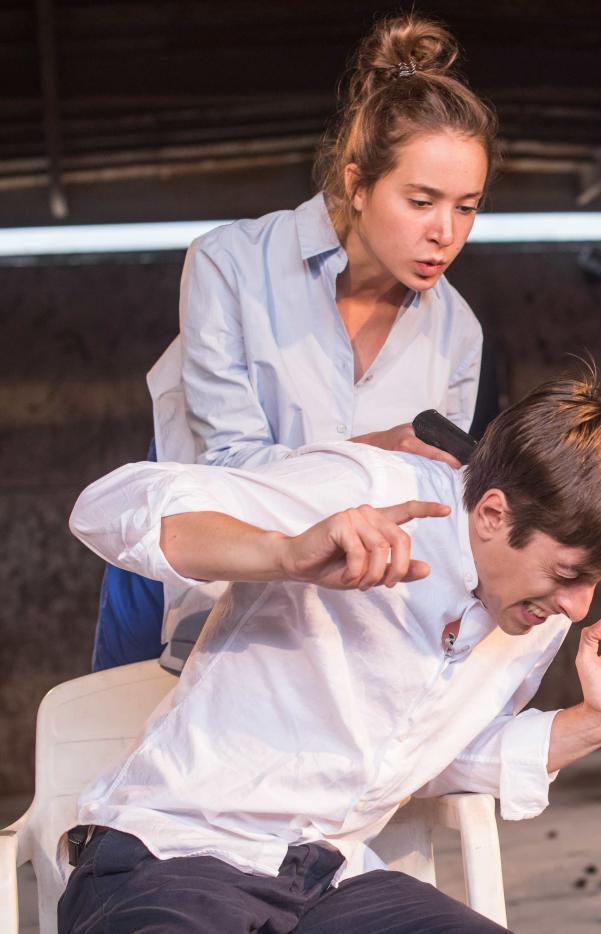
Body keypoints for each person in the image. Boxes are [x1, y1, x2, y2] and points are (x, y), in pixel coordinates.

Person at [61, 375, 601, 933]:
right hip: (176, 852)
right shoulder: (372, 488)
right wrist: (284, 553)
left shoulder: (533, 615)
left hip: (325, 881)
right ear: (492, 514)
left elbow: (429, 753)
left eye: (594, 582)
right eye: (569, 573)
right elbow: (105, 508)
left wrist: (596, 724)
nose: (577, 608)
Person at [94, 12, 497, 672]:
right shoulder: (230, 265)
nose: (445, 233)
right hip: (187, 578)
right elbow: (230, 469)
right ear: (357, 185)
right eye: (421, 201)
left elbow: (431, 506)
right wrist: (369, 451)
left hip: (334, 622)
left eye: (467, 206)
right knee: (114, 725)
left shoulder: (459, 333)